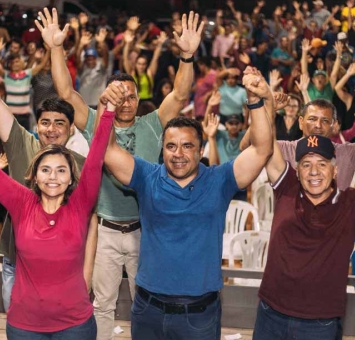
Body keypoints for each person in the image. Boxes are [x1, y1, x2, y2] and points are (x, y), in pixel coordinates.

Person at [40, 8, 204, 340]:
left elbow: (181, 94)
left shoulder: (153, 125)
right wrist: (56, 47)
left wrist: (187, 57)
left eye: (131, 95)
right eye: (119, 96)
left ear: (139, 96)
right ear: (108, 100)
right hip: (106, 231)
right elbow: (66, 94)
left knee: (149, 302)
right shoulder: (96, 127)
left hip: (147, 229)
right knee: (102, 305)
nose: (126, 101)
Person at [103, 66, 274, 339]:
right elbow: (108, 149)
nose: (178, 154)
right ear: (162, 149)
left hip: (199, 314)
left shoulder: (220, 180)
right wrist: (108, 107)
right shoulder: (147, 177)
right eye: (171, 146)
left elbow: (262, 149)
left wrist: (254, 100)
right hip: (148, 310)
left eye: (187, 146)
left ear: (201, 149)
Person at [0, 22, 98, 314]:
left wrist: (86, 274)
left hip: (65, 267)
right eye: (45, 122)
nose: (51, 130)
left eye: (59, 123)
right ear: (36, 125)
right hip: (17, 260)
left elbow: (90, 221)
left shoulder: (79, 166)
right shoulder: (21, 144)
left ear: (71, 130)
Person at [0, 80, 117, 340]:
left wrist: (108, 112)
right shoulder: (22, 202)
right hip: (25, 326)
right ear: (34, 175)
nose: (53, 177)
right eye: (46, 170)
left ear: (71, 178)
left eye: (61, 170)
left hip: (75, 325)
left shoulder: (80, 203)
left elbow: (98, 153)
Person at [253, 104, 355, 340]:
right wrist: (259, 102)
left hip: (319, 323)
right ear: (297, 170)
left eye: (322, 164)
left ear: (335, 170)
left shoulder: (352, 203)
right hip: (271, 313)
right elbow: (264, 143)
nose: (314, 171)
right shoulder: (286, 188)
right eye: (306, 164)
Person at [240, 93, 355, 190]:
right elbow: (246, 147)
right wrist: (267, 111)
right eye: (312, 119)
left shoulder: (347, 152)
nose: (318, 125)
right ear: (300, 122)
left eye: (325, 121)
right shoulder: (284, 150)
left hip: (337, 232)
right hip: (293, 233)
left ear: (333, 125)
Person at [0, 36, 50, 130]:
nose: (15, 64)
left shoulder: (27, 74)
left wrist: (49, 51)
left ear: (21, 62)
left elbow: (42, 65)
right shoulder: (7, 75)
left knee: (24, 141)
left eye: (17, 61)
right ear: (10, 64)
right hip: (10, 115)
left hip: (24, 116)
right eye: (12, 62)